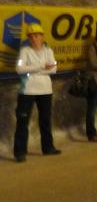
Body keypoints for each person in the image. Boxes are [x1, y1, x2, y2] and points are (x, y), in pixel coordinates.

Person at [13, 23, 61, 162]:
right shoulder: (24, 51)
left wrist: (32, 70)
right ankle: (20, 152)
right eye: (31, 36)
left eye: (36, 35)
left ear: (42, 36)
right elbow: (19, 69)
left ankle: (48, 148)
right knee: (23, 122)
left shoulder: (49, 51)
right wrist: (41, 67)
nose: (34, 38)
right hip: (27, 91)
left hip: (45, 90)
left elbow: (54, 69)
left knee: (45, 120)